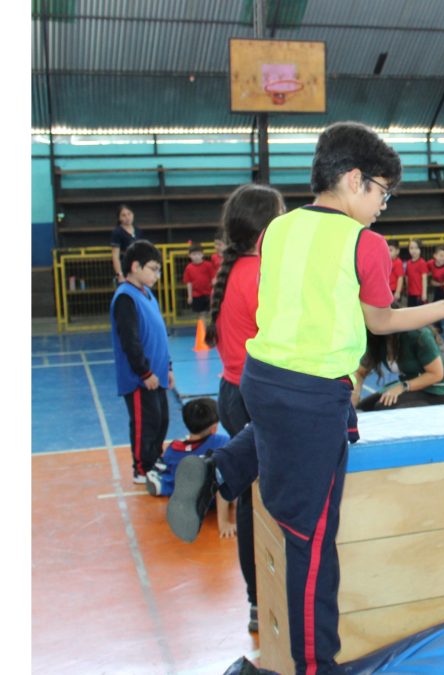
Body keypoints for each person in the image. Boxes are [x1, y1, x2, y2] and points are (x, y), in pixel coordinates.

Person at [166, 121, 444, 674]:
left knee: (275, 432)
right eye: (383, 193)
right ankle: (317, 664)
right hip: (310, 393)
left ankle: (218, 470)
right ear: (356, 180)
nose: (383, 205)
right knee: (310, 540)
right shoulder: (366, 244)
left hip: (262, 381)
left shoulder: (279, 229)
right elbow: (381, 319)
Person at [203, 182, 286, 634]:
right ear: (264, 230)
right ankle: (268, 594)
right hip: (256, 397)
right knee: (269, 501)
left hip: (232, 391)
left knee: (253, 502)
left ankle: (257, 601)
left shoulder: (232, 270)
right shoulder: (260, 275)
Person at [110, 239, 172, 483]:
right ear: (135, 266)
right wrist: (144, 373)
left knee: (161, 419)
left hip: (157, 373)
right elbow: (130, 341)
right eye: (153, 269)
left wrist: (168, 367)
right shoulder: (125, 298)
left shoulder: (147, 294)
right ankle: (141, 467)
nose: (157, 275)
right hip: (140, 378)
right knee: (144, 423)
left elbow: (159, 333)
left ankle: (154, 458)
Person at [147, 399, 234, 535]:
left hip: (187, 501)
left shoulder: (173, 448)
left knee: (172, 470)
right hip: (210, 501)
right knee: (227, 470)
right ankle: (225, 517)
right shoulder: (222, 441)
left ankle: (163, 483)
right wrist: (223, 522)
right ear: (214, 428)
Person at [352, 326, 444, 411]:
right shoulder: (376, 338)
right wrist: (354, 395)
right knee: (361, 409)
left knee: (383, 408)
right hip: (410, 387)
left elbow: (436, 375)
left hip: (439, 391)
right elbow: (360, 373)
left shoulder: (418, 334)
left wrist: (402, 387)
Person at [110, 204, 143, 283]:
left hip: (138, 267)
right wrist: (120, 274)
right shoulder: (117, 232)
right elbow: (115, 256)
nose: (127, 217)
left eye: (129, 214)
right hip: (125, 268)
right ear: (119, 218)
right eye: (123, 215)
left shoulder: (138, 230)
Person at [183, 242, 216, 321]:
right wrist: (189, 296)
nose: (196, 257)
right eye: (194, 254)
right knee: (200, 315)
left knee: (212, 312)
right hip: (196, 295)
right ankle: (203, 331)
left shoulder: (208, 265)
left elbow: (213, 279)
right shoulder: (188, 268)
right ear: (189, 256)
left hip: (208, 293)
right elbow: (189, 283)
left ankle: (212, 330)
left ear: (202, 254)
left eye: (198, 254)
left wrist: (214, 292)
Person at [428, 245, 444, 334]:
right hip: (437, 290)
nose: (443, 258)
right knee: (435, 308)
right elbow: (426, 274)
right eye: (441, 255)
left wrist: (441, 284)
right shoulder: (430, 263)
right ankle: (438, 328)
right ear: (435, 255)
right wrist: (430, 281)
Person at [404, 240, 429, 307]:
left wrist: (424, 293)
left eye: (416, 248)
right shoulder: (408, 263)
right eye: (411, 248)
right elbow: (407, 277)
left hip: (419, 294)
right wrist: (407, 289)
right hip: (410, 293)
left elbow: (424, 279)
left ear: (420, 249)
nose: (413, 250)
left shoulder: (422, 262)